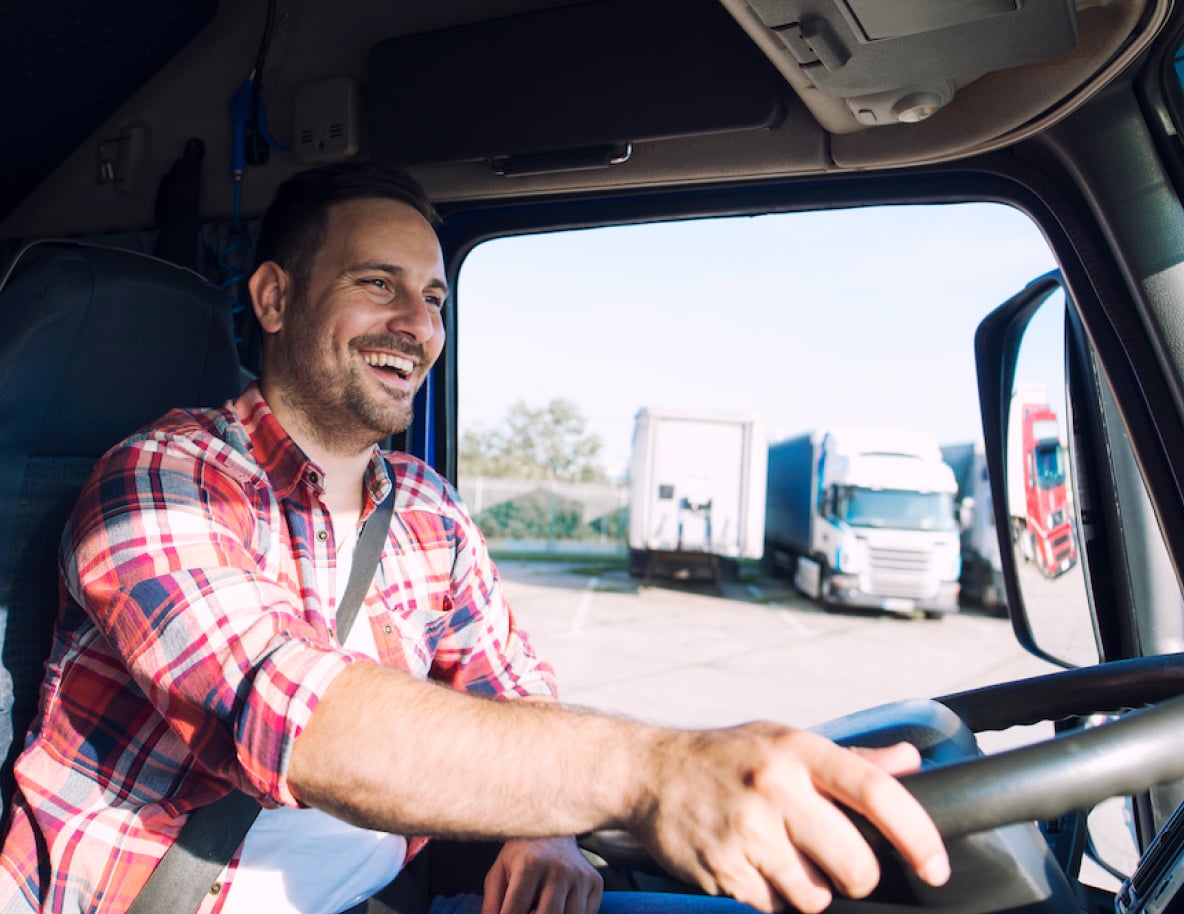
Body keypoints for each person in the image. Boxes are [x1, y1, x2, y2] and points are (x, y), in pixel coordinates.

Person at [0, 162, 949, 914]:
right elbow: (290, 715)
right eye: (379, 284)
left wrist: (546, 828)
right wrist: (654, 772)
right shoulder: (161, 480)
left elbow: (511, 685)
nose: (418, 325)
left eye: (436, 298)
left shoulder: (427, 507)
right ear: (276, 299)